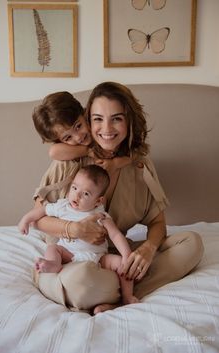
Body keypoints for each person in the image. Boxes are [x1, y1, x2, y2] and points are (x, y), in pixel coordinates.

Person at [33, 81, 204, 314]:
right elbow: (38, 219)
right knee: (80, 280)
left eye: (117, 118)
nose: (107, 128)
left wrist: (148, 250)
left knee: (191, 244)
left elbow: (157, 223)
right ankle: (121, 292)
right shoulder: (68, 160)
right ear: (88, 120)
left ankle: (114, 294)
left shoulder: (139, 166)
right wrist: (74, 230)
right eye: (98, 119)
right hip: (69, 259)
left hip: (113, 256)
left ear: (128, 121)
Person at [19, 165, 138, 306]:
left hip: (97, 258)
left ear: (99, 200)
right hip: (68, 254)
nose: (77, 196)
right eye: (74, 188)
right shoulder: (63, 206)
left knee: (121, 264)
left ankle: (127, 296)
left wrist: (126, 255)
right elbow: (42, 211)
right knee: (52, 248)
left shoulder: (100, 215)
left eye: (86, 194)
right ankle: (54, 265)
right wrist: (25, 220)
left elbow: (116, 235)